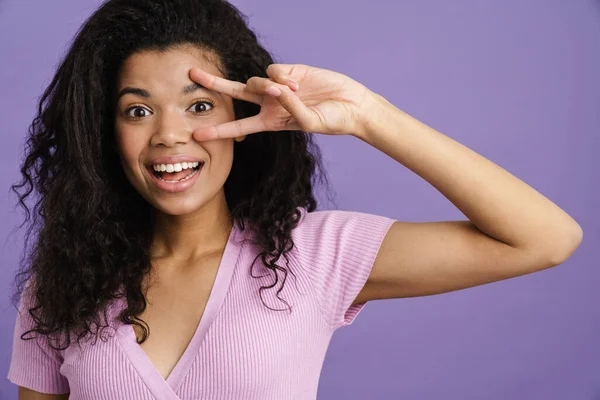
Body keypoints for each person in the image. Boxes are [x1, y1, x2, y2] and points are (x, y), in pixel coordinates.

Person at [6, 0, 583, 399]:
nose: (168, 135)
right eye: (138, 110)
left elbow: (547, 239)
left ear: (243, 116)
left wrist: (365, 115)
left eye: (199, 105)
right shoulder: (63, 283)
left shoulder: (312, 255)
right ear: (105, 135)